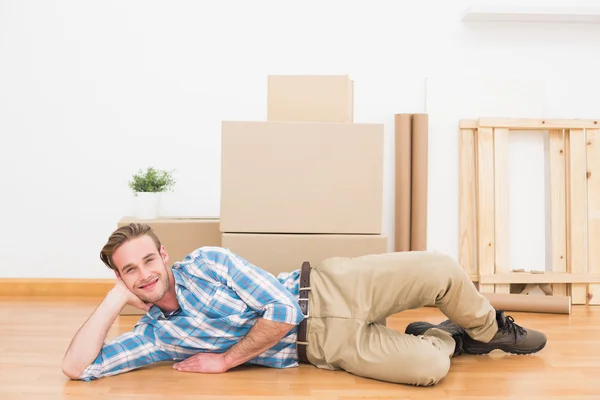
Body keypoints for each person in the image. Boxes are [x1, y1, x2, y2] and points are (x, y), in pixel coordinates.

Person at [61, 223, 547, 386]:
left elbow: (281, 310)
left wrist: (227, 360)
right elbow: (78, 368)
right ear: (121, 277)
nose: (145, 274)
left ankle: (487, 331)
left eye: (149, 259)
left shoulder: (207, 261)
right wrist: (111, 301)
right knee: (429, 370)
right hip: (322, 348)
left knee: (441, 268)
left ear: (163, 255)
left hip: (330, 287)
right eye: (130, 271)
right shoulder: (156, 336)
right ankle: (443, 335)